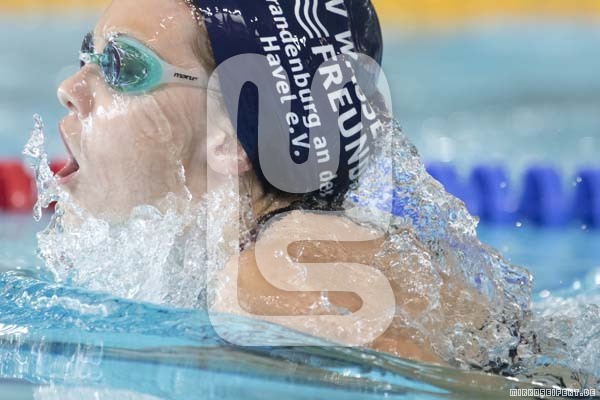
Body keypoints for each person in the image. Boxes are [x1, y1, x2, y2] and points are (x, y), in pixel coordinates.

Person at [55, 0, 493, 364]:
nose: (70, 88)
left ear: (232, 137)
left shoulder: (266, 279)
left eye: (122, 66)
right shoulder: (293, 248)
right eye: (87, 55)